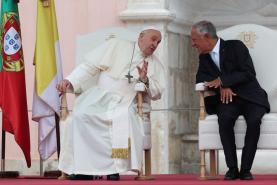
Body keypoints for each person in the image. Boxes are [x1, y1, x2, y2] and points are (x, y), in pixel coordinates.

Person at [56, 27, 165, 181]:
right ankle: (83, 169)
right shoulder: (117, 45)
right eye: (153, 39)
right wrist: (69, 79)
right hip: (100, 96)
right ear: (141, 36)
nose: (155, 44)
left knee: (121, 118)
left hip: (128, 101)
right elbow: (89, 67)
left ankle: (114, 168)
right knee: (80, 115)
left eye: (158, 42)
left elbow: (157, 93)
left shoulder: (155, 65)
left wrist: (145, 79)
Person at [191, 20, 270, 180]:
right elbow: (201, 79)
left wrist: (223, 80)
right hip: (228, 100)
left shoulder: (236, 46)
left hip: (251, 97)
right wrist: (221, 86)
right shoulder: (204, 58)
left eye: (194, 39)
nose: (193, 44)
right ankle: (232, 168)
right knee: (225, 119)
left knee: (254, 121)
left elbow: (248, 73)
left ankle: (246, 169)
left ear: (206, 36)